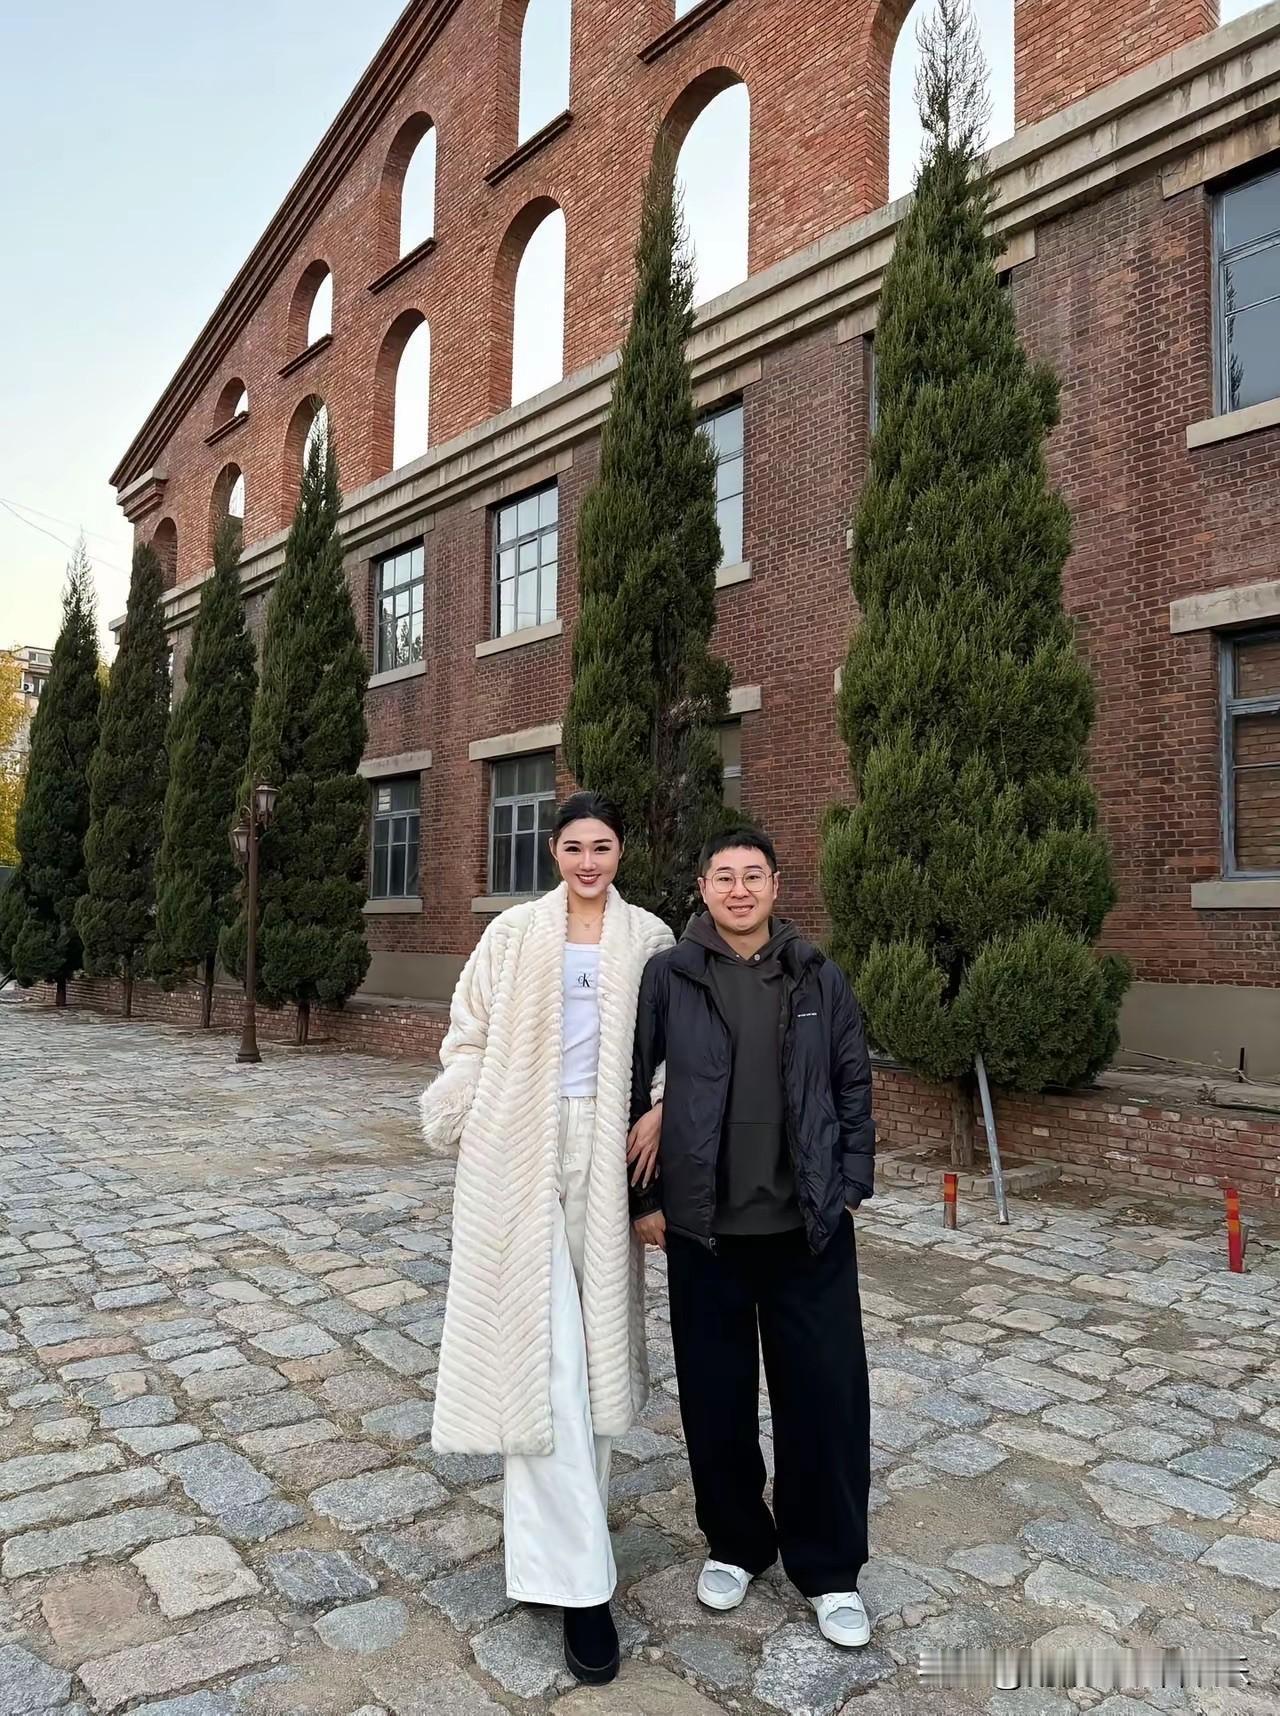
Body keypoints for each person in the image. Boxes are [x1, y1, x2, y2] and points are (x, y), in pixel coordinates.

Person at [421, 792, 673, 1685]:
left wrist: (661, 1109)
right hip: (516, 1147)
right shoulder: (513, 933)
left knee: (591, 1357)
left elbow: (676, 1044)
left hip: (609, 1149)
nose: (588, 862)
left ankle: (553, 1551)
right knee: (547, 1355)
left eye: (602, 846)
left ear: (621, 851)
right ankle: (579, 1587)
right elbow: (467, 1034)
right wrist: (469, 1109)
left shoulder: (649, 939)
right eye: (574, 847)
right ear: (553, 852)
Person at [628, 824, 875, 1648]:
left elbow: (851, 1079)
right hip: (706, 1232)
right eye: (724, 876)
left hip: (807, 1230)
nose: (739, 889)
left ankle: (829, 1568)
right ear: (702, 888)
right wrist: (645, 1198)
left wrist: (850, 1184)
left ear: (776, 886)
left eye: (754, 875)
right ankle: (735, 1543)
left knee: (825, 1399)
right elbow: (633, 1083)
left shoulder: (816, 973)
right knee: (716, 1400)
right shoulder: (670, 975)